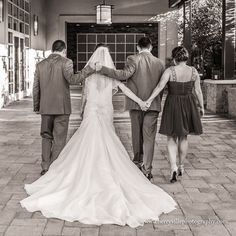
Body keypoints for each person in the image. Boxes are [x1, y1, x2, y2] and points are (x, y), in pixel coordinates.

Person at [20, 45, 176, 228]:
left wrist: (81, 110)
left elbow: (85, 96)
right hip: (105, 112)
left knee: (80, 141)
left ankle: (56, 169)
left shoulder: (89, 75)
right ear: (107, 60)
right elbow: (124, 90)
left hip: (91, 112)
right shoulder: (110, 75)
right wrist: (141, 101)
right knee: (108, 141)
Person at [98, 37, 165, 180]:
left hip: (135, 104)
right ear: (151, 47)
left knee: (137, 134)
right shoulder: (160, 63)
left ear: (137, 47)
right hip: (152, 105)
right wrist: (152, 101)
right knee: (149, 138)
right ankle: (147, 169)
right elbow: (161, 86)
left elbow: (123, 75)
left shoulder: (133, 59)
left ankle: (137, 162)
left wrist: (102, 69)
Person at [33, 40, 95, 176]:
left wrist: (37, 106)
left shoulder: (40, 65)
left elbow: (36, 87)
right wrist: (89, 69)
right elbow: (73, 80)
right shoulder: (66, 62)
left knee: (46, 136)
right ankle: (54, 168)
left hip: (45, 108)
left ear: (52, 49)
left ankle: (45, 167)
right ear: (64, 50)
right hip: (61, 108)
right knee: (59, 138)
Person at [145, 46, 204, 183]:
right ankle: (181, 166)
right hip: (189, 105)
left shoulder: (170, 71)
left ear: (174, 58)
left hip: (172, 105)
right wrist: (201, 106)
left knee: (171, 137)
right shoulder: (194, 71)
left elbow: (159, 87)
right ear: (186, 57)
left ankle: (173, 167)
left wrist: (148, 100)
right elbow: (198, 91)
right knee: (183, 137)